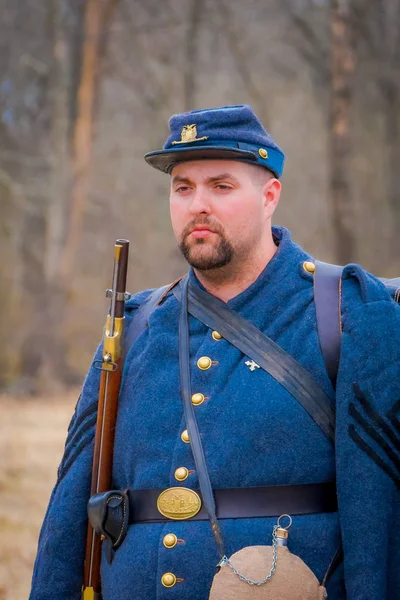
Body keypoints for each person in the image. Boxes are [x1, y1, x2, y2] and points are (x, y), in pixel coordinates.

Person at [30, 104, 400, 600]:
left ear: (270, 196)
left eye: (221, 186)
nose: (197, 204)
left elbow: (381, 514)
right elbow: (68, 515)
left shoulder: (349, 314)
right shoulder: (135, 324)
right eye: (183, 187)